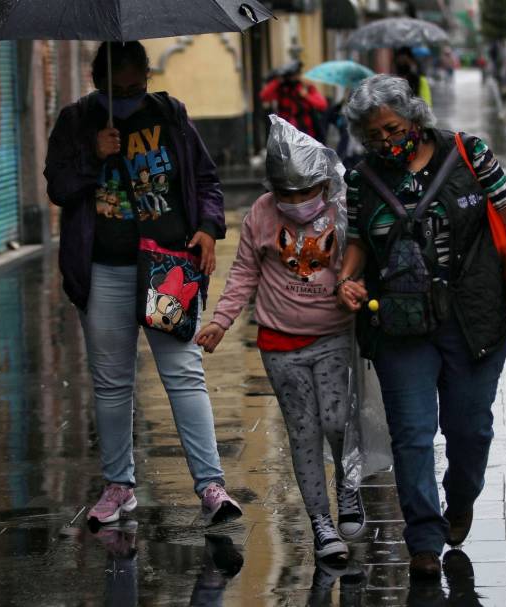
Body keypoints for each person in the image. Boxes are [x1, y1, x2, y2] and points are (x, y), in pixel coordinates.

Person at [335, 75, 506, 580]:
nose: (385, 141)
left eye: (392, 128)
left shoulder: (469, 153)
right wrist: (346, 278)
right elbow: (361, 237)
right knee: (412, 434)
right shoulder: (362, 178)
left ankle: (462, 497)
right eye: (373, 134)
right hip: (400, 321)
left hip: (473, 315)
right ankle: (424, 538)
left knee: (470, 429)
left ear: (414, 118)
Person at [44, 41, 242, 526]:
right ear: (97, 81)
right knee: (113, 385)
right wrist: (93, 155)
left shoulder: (170, 116)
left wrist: (209, 228)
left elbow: (206, 181)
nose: (130, 95)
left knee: (184, 374)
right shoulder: (75, 120)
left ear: (148, 78)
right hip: (104, 269)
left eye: (138, 86)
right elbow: (58, 187)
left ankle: (212, 486)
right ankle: (119, 486)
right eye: (119, 88)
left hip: (167, 267)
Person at [195, 116, 366, 561]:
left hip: (332, 337)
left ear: (323, 183)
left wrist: (356, 287)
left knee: (336, 421)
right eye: (284, 194)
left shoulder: (342, 209)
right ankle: (321, 523)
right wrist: (221, 319)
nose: (294, 203)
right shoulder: (260, 214)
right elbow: (244, 273)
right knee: (303, 431)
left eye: (304, 193)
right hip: (279, 344)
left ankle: (348, 488)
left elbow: (362, 260)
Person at [260, 60, 329, 141]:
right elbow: (264, 96)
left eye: (296, 74)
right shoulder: (281, 88)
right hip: (286, 135)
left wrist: (306, 96)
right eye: (291, 76)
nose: (293, 78)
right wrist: (277, 81)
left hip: (306, 135)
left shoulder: (305, 87)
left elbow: (323, 105)